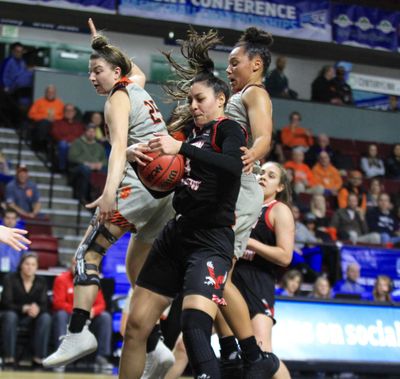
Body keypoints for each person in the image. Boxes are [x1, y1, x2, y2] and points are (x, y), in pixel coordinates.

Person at [121, 31, 278, 378]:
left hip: (237, 192)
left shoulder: (252, 95)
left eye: (235, 62)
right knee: (217, 286)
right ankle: (242, 352)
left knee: (217, 282)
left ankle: (245, 352)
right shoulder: (203, 124)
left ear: (256, 64)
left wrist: (257, 152)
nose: (230, 67)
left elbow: (264, 133)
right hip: (202, 203)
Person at [43, 18, 174, 369]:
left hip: (143, 186)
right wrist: (102, 44)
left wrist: (108, 194)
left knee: (87, 253)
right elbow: (137, 70)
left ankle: (78, 332)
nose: (91, 77)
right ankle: (156, 346)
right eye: (90, 72)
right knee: (136, 272)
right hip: (167, 196)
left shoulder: (117, 96)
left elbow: (117, 149)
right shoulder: (137, 87)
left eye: (97, 70)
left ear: (116, 72)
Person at [222, 162, 294, 379]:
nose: (263, 177)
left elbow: (285, 256)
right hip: (230, 279)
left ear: (280, 187)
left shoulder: (278, 210)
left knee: (261, 353)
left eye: (271, 176)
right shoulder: (242, 205)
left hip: (257, 282)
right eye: (262, 173)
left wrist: (251, 243)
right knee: (183, 346)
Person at [51, 259, 113, 372]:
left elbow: (101, 304)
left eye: (81, 265)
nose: (78, 267)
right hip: (70, 317)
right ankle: (60, 357)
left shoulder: (92, 280)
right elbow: (58, 303)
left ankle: (102, 357)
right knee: (60, 315)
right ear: (71, 265)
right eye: (75, 264)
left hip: (88, 318)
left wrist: (93, 310)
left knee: (105, 317)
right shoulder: (61, 279)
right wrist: (80, 312)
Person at [0, 252, 51, 368]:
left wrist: (37, 309)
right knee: (10, 316)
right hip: (13, 314)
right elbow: (5, 303)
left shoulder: (41, 281)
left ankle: (38, 358)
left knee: (46, 317)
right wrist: (23, 308)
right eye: (27, 264)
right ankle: (9, 357)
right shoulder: (10, 278)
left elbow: (45, 305)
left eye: (33, 264)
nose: (30, 267)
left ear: (37, 267)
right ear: (21, 265)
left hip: (32, 317)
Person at [67, 123, 107, 202]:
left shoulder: (99, 146)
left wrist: (100, 164)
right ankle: (83, 197)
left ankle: (101, 197)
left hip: (95, 168)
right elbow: (72, 157)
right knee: (85, 169)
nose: (91, 133)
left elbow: (105, 160)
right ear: (85, 132)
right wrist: (86, 163)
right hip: (78, 168)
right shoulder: (77, 142)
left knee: (107, 170)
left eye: (93, 132)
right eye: (89, 131)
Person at [27, 84, 64, 151]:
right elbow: (31, 114)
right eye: (49, 92)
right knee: (44, 123)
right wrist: (45, 117)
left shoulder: (59, 103)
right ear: (45, 92)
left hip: (54, 124)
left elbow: (62, 116)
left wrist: (53, 118)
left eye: (52, 92)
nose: (50, 94)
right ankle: (40, 144)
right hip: (40, 123)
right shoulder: (39, 102)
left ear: (55, 93)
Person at [51, 103, 85, 172]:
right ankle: (62, 168)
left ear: (74, 112)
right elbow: (55, 134)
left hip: (76, 145)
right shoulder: (57, 123)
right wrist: (68, 141)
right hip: (63, 144)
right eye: (67, 110)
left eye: (71, 110)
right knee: (63, 144)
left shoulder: (79, 125)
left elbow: (82, 136)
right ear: (63, 112)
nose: (69, 112)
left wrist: (73, 142)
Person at [0, 42, 33, 109]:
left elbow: (22, 76)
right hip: (7, 92)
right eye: (17, 51)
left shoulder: (22, 62)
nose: (19, 53)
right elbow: (2, 76)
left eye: (21, 52)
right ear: (13, 51)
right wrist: (5, 87)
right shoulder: (7, 61)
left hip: (18, 92)